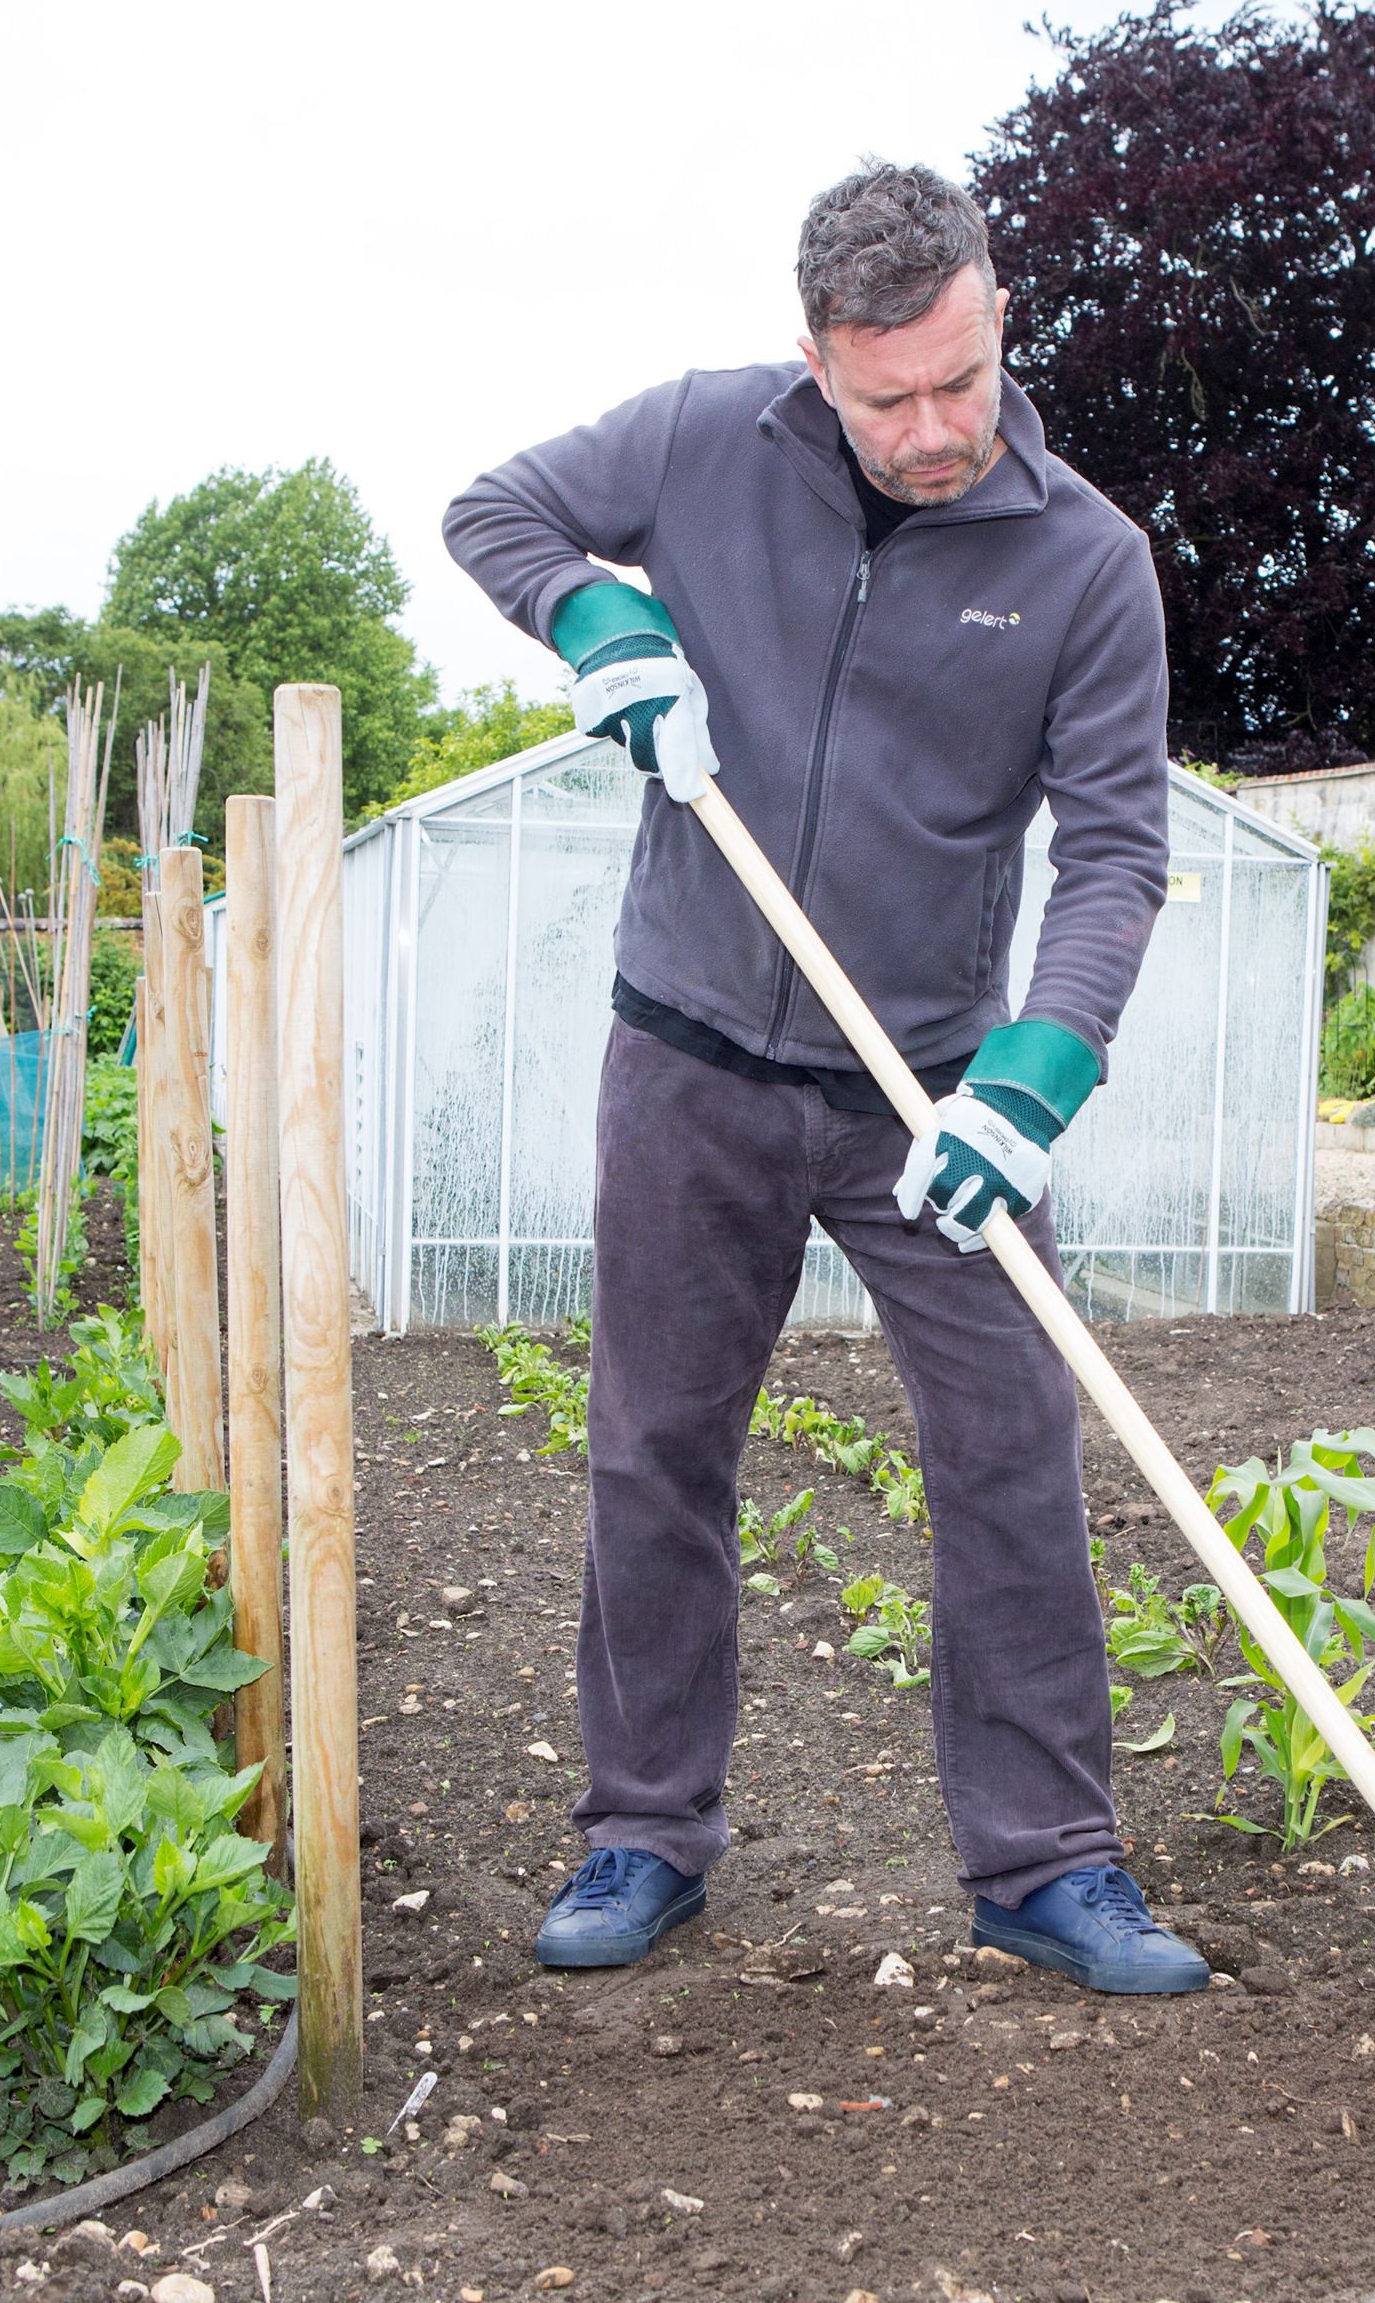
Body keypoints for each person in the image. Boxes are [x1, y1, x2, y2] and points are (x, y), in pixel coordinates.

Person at [442, 161, 1207, 1993]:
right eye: (887, 400)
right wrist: (596, 621)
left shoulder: (1086, 560)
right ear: (816, 361)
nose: (934, 430)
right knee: (655, 1443)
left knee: (1010, 1450)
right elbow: (498, 512)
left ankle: (1045, 1865)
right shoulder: (706, 442)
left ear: (997, 313)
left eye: (960, 379)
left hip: (931, 1094)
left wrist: (1039, 1073)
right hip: (691, 1051)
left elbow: (1114, 851)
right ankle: (644, 1836)